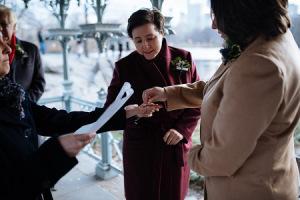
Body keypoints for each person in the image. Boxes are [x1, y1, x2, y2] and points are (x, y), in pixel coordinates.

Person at [142, 0, 300, 200]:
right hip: (272, 179)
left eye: (217, 15)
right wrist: (168, 93)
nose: (214, 25)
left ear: (241, 10)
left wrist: (186, 151)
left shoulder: (259, 64)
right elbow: (223, 88)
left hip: (249, 190)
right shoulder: (277, 39)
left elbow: (221, 158)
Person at [0, 35, 159, 199]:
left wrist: (125, 113)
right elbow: (11, 185)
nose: (9, 48)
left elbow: (59, 120)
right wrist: (57, 150)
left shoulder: (12, 93)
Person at [104, 8, 201, 200]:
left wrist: (182, 130)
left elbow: (197, 100)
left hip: (173, 143)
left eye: (151, 38)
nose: (145, 46)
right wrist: (135, 112)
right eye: (138, 41)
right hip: (140, 146)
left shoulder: (183, 59)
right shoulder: (124, 67)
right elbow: (110, 109)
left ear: (162, 32)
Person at [0, 5, 45, 102]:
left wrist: (23, 102)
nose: (1, 29)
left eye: (4, 24)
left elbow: (39, 83)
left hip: (26, 110)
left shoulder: (32, 50)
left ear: (14, 27)